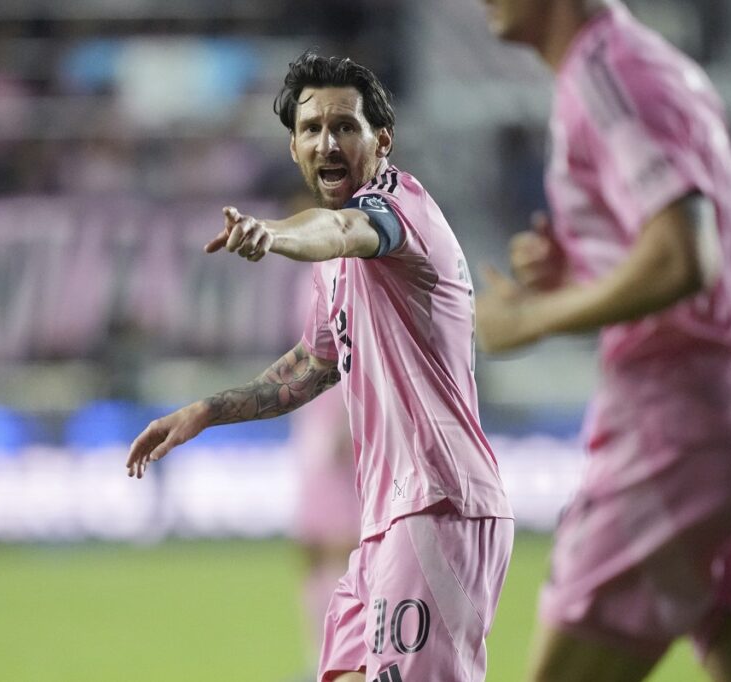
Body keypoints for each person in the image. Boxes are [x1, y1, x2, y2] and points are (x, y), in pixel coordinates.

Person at [475, 2, 731, 681]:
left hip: (679, 430)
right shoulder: (650, 66)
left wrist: (534, 320)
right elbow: (688, 258)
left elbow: (683, 258)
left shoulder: (606, 73)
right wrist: (577, 278)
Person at [125, 51, 514, 682]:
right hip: (384, 522)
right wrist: (205, 411)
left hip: (438, 506)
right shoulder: (337, 269)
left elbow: (336, 228)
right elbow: (312, 365)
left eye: (345, 127)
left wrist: (274, 234)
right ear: (293, 147)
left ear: (381, 139)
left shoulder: (397, 208)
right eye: (311, 130)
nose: (327, 143)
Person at [288, 386, 360, 675]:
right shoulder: (313, 369)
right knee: (314, 561)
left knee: (343, 564)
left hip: (344, 482)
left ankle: (343, 658)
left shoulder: (350, 371)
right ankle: (319, 658)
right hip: (315, 479)